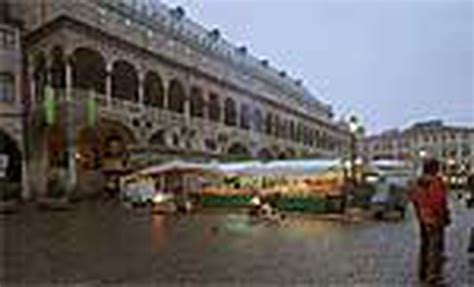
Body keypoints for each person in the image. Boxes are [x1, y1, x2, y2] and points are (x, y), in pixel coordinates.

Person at [408, 159, 451, 285]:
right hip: (435, 218)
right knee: (435, 247)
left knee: (425, 245)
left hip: (423, 217)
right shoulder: (435, 182)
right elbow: (438, 201)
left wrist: (421, 213)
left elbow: (414, 199)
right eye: (437, 168)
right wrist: (443, 215)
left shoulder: (418, 183)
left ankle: (423, 272)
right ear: (434, 169)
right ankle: (433, 276)